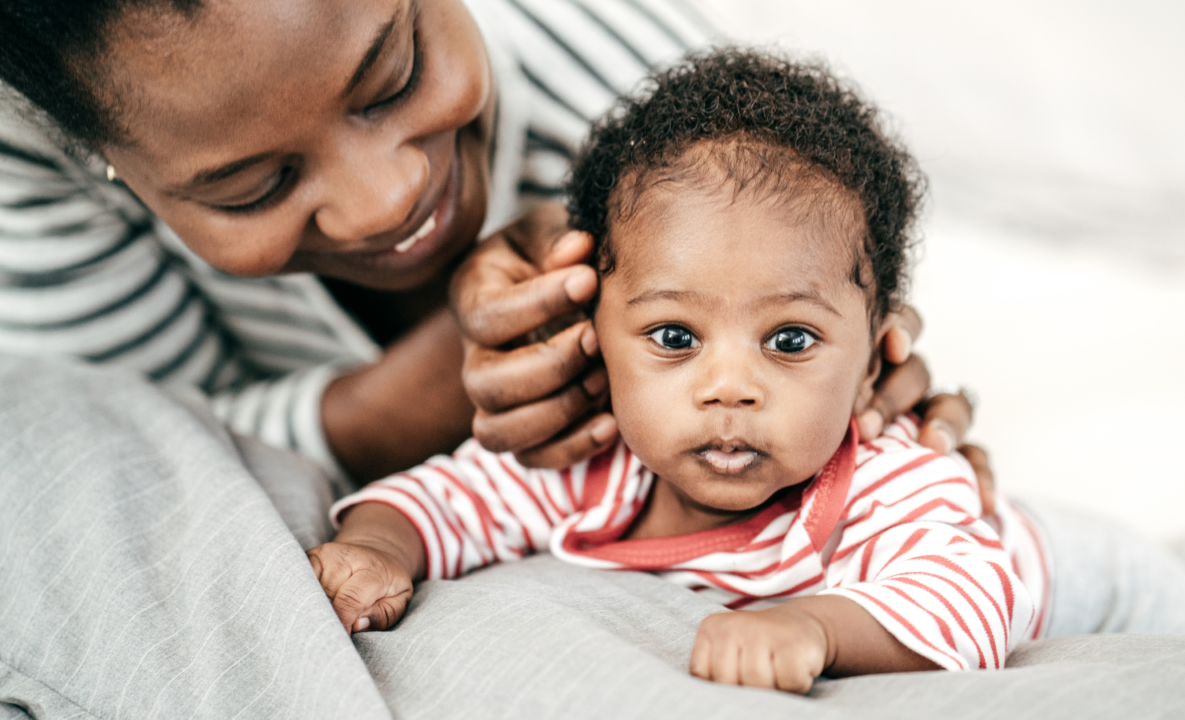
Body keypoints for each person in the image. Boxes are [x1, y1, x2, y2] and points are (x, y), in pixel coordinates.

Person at [0, 1, 978, 717]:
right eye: (254, 187)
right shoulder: (586, 482)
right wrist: (407, 433)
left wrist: (824, 595)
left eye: (390, 76)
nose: (383, 199)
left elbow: (959, 577)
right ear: (107, 170)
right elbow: (126, 453)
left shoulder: (691, 144)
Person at [306, 49, 1185, 696]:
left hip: (1108, 583)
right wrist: (382, 549)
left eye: (789, 342)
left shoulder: (891, 481)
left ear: (876, 363)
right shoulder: (590, 464)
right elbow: (451, 498)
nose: (728, 387)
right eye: (673, 338)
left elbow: (968, 604)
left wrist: (816, 627)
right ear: (594, 334)